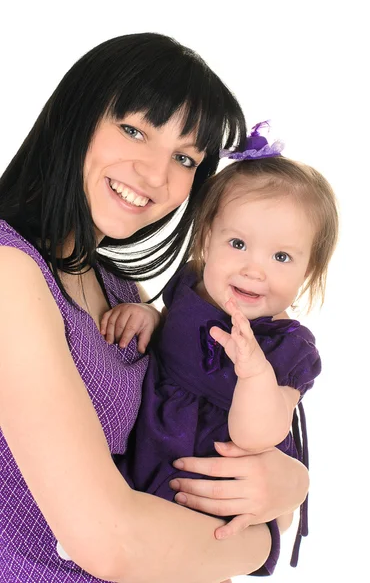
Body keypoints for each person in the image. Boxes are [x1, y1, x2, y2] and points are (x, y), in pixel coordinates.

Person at [0, 34, 309, 583]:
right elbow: (111, 543)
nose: (154, 174)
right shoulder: (9, 271)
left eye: (185, 157)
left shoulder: (125, 294)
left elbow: (211, 446)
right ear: (75, 115)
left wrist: (287, 486)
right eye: (133, 129)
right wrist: (263, 541)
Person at [101, 122, 339, 572]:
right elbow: (175, 334)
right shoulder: (190, 289)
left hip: (211, 475)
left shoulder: (287, 348)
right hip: (147, 453)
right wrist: (151, 317)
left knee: (194, 559)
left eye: (282, 257)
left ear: (308, 271)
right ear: (206, 237)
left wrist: (253, 374)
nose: (255, 269)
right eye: (238, 244)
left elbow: (260, 436)